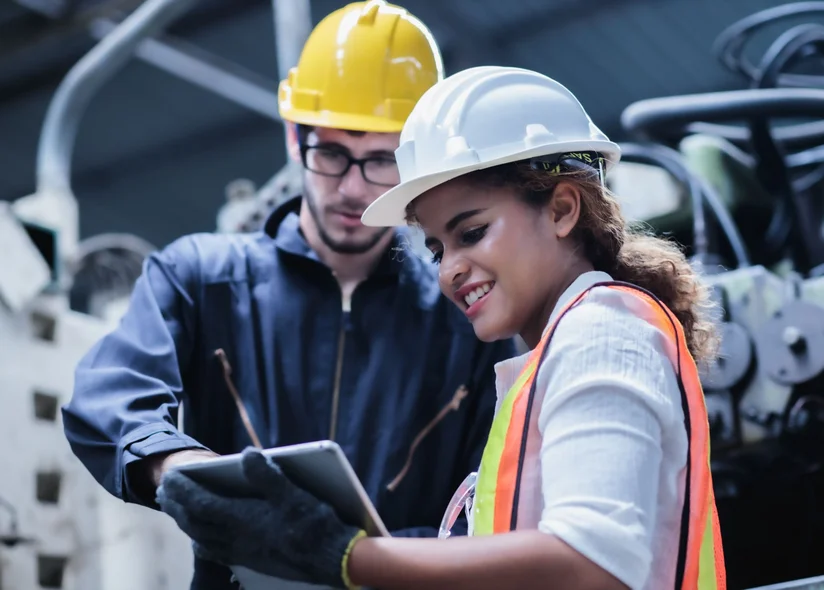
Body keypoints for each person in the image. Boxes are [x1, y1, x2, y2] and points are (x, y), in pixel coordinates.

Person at [156, 65, 729, 590]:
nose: (450, 267)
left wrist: (344, 555)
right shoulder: (547, 364)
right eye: (437, 248)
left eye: (472, 232)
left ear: (560, 210)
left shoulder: (603, 331)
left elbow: (593, 563)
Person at [62, 5, 516, 590]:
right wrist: (175, 466)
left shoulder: (465, 315)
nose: (352, 189)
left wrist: (359, 555)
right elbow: (109, 395)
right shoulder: (200, 278)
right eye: (330, 153)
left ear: (417, 162)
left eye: (382, 160)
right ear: (292, 135)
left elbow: (492, 509)